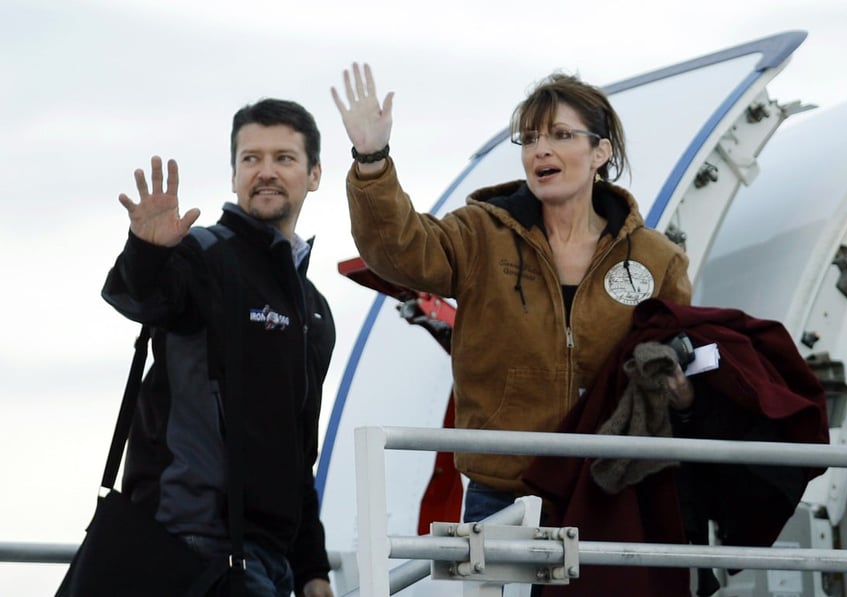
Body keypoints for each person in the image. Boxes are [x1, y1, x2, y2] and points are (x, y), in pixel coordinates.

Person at [332, 63, 693, 521]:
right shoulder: (481, 232)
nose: (541, 149)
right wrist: (372, 160)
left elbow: (686, 361)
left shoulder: (656, 258)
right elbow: (400, 251)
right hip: (500, 495)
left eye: (560, 135)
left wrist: (683, 395)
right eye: (530, 138)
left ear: (600, 151)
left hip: (612, 491)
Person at [101, 99, 336, 597]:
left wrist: (313, 569)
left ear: (314, 174)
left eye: (284, 158)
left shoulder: (313, 310)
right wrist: (146, 250)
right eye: (251, 159)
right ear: (233, 175)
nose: (266, 172)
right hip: (193, 545)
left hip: (273, 562)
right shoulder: (202, 254)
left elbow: (298, 453)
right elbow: (139, 295)